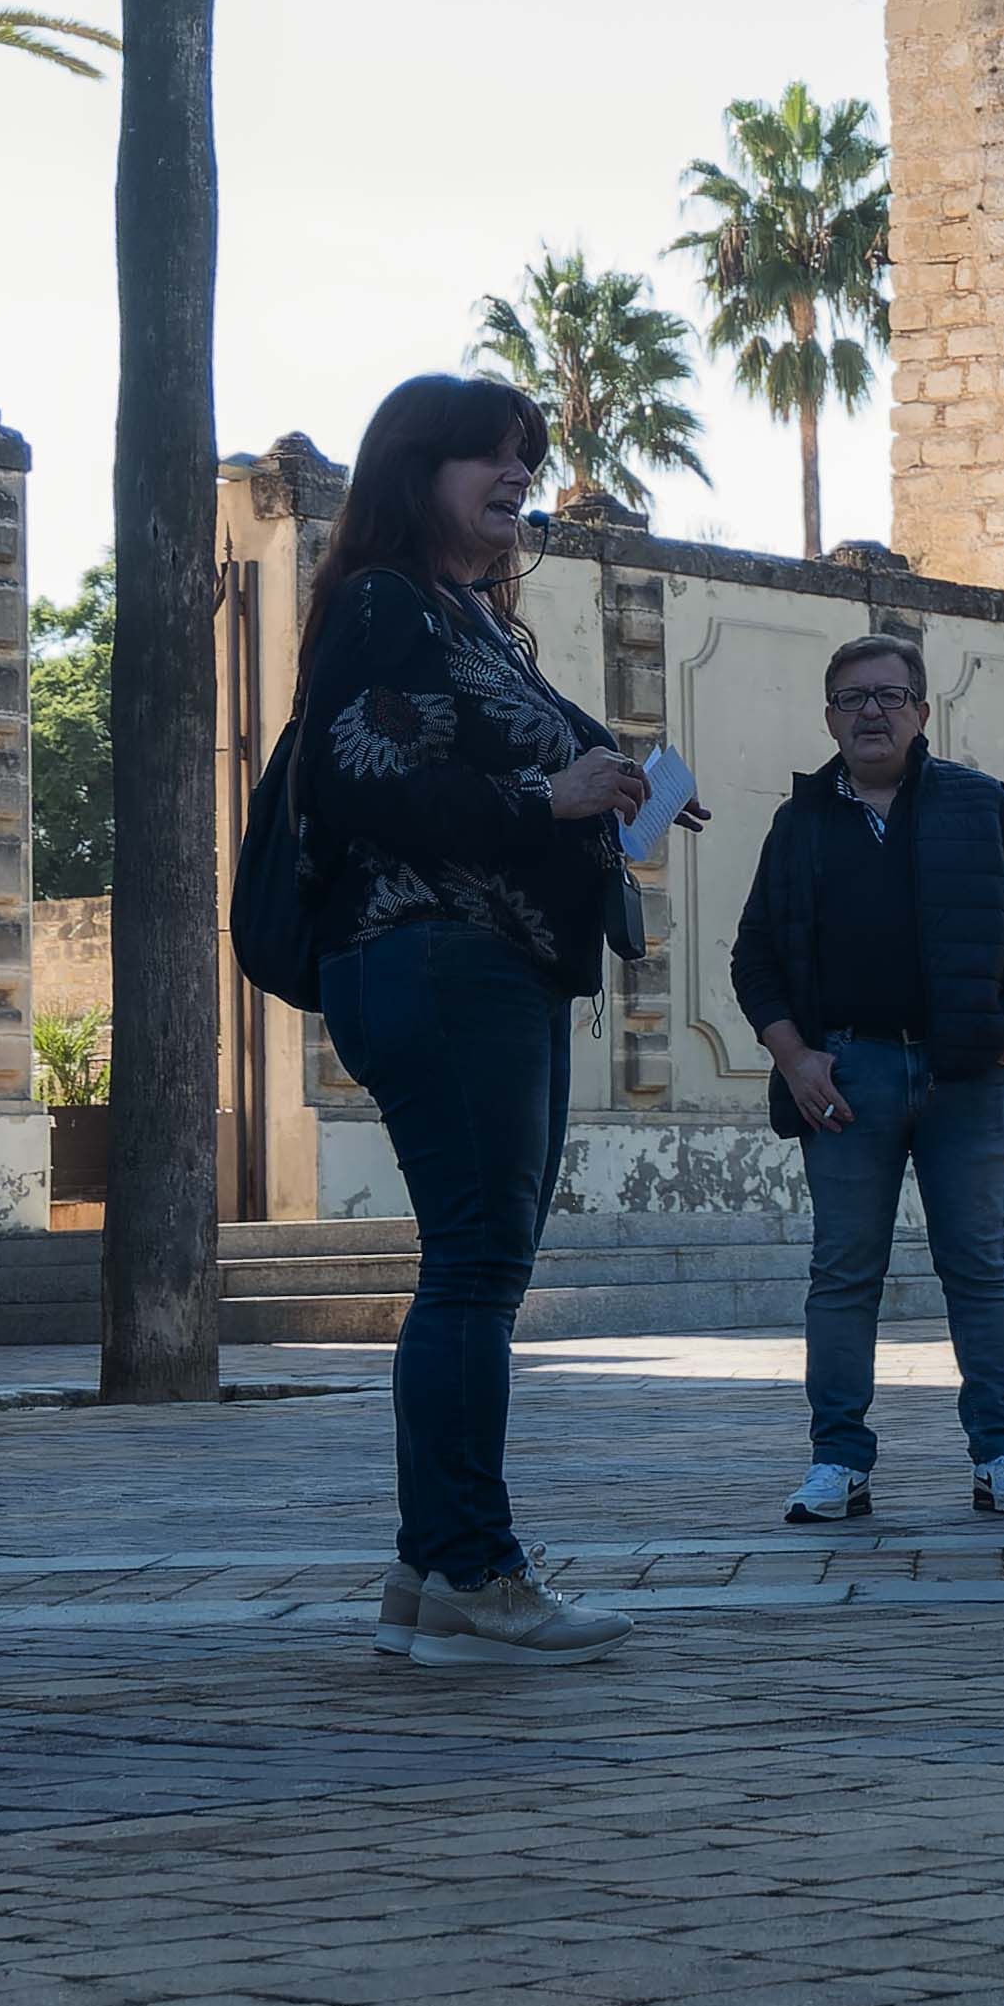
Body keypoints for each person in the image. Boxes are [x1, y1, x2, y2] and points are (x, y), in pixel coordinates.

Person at [302, 374, 671, 1669]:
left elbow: (509, 758)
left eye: (524, 457)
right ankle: (479, 1573)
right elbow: (354, 773)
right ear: (416, 470)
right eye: (487, 456)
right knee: (476, 1267)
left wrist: (616, 783)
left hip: (491, 964)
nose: (516, 476)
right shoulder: (382, 599)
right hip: (440, 956)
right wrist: (551, 798)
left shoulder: (470, 617)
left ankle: (425, 1570)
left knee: (471, 1265)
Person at [729, 632, 1004, 1528]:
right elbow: (754, 959)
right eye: (851, 698)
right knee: (843, 1272)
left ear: (923, 710)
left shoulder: (979, 803)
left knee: (979, 1267)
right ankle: (838, 1460)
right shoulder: (798, 824)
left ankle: (1002, 1453)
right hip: (847, 1076)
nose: (870, 712)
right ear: (830, 716)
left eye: (888, 695)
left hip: (968, 1074)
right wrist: (795, 1058)